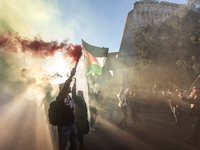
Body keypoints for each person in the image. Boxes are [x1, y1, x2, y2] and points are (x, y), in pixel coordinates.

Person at [56, 68, 77, 150]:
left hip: (71, 125)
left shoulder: (68, 97)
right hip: (64, 127)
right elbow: (65, 88)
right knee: (63, 146)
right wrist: (71, 76)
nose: (69, 87)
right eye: (68, 87)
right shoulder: (60, 98)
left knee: (74, 144)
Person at [72, 78, 88, 150]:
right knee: (79, 133)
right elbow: (73, 96)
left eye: (80, 93)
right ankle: (79, 145)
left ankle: (81, 145)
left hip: (83, 119)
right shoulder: (77, 100)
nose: (80, 94)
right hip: (79, 119)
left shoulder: (82, 99)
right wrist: (74, 86)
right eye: (79, 93)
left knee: (81, 133)